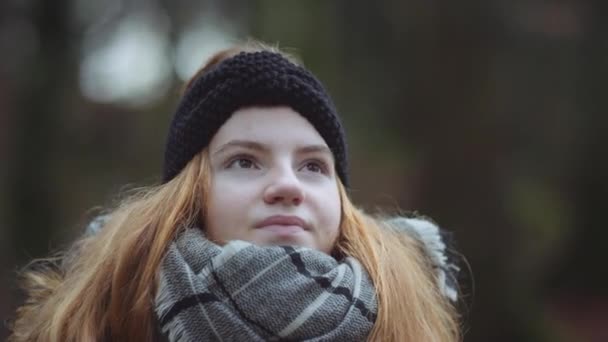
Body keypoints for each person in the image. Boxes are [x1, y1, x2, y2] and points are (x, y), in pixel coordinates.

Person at [9, 41, 462, 341]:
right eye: (244, 161)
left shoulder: (408, 321)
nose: (287, 185)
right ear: (188, 196)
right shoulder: (101, 321)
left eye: (312, 165)